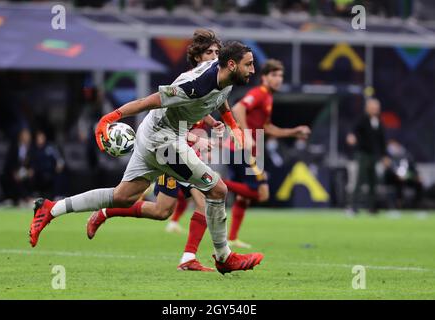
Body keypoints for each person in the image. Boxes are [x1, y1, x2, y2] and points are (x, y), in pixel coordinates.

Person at [29, 40, 263, 275]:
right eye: (249, 65)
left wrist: (233, 125)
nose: (253, 70)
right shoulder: (194, 86)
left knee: (123, 196)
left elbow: (219, 96)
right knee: (217, 190)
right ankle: (223, 257)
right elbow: (147, 101)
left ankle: (50, 208)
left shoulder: (225, 73)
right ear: (232, 65)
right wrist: (109, 118)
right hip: (163, 141)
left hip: (155, 134)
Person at [87, 29, 225, 272]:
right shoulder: (186, 81)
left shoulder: (213, 82)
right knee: (204, 199)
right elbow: (164, 118)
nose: (214, 56)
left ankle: (108, 211)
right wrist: (196, 137)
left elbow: (204, 109)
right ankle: (189, 258)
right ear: (197, 57)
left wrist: (214, 123)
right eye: (209, 52)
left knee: (162, 211)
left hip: (184, 150)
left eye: (217, 52)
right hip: (168, 151)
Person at [222, 59, 311, 248]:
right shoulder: (259, 93)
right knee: (259, 192)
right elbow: (238, 108)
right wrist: (245, 134)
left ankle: (232, 238)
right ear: (264, 77)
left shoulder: (268, 98)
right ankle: (216, 183)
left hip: (246, 149)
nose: (278, 79)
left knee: (246, 196)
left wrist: (293, 132)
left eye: (280, 76)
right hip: (241, 149)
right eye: (274, 75)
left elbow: (267, 128)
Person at [346, 98, 390, 214]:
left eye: (377, 108)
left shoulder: (379, 122)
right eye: (373, 107)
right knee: (359, 180)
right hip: (362, 154)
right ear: (368, 108)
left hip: (373, 155)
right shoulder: (362, 119)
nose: (376, 110)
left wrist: (385, 156)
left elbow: (382, 141)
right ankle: (353, 207)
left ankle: (372, 207)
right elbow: (353, 130)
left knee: (373, 182)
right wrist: (351, 136)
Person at [383, 139, 423, 209]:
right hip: (393, 179)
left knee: (419, 183)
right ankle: (399, 204)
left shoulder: (406, 155)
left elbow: (412, 168)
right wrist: (397, 174)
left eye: (395, 145)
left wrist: (415, 176)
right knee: (399, 183)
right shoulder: (388, 156)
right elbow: (389, 170)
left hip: (407, 177)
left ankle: (417, 204)